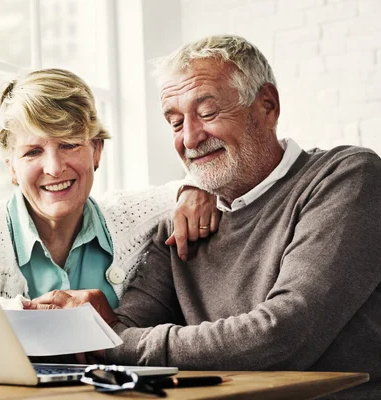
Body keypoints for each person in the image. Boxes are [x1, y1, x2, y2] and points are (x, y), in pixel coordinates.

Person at [25, 36, 381, 397]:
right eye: (176, 123)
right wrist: (75, 324)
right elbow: (123, 326)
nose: (190, 139)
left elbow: (282, 335)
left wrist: (111, 340)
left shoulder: (346, 178)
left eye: (207, 113)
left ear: (267, 106)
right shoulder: (178, 226)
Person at [0, 68, 218, 307]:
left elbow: (209, 179)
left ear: (96, 150)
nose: (54, 168)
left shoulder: (135, 218)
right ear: (11, 167)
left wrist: (196, 189)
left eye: (69, 145)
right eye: (33, 152)